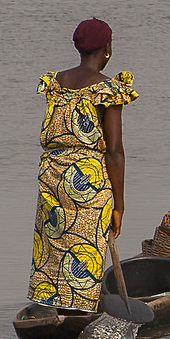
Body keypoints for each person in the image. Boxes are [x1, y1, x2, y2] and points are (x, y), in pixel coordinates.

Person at [28, 19, 138, 312]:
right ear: (107, 50)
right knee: (84, 248)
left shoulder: (56, 82)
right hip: (86, 181)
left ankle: (54, 309)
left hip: (52, 175)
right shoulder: (108, 89)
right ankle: (81, 312)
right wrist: (119, 204)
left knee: (56, 246)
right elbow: (114, 151)